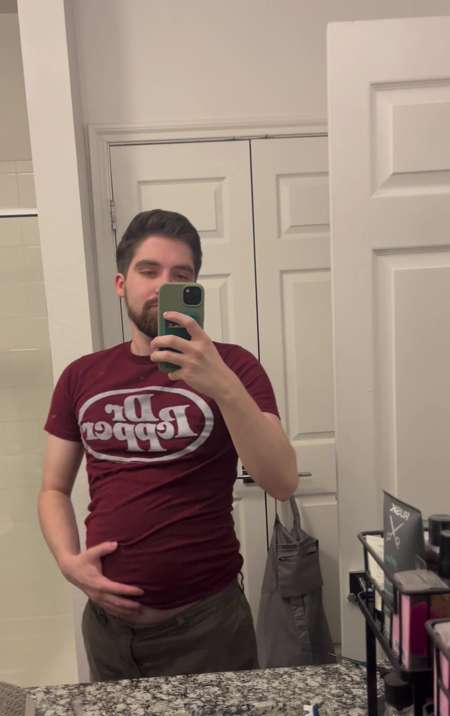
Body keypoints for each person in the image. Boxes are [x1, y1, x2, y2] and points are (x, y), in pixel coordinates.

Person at [38, 209, 298, 681]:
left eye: (180, 275)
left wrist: (221, 384)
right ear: (121, 284)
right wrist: (68, 562)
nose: (163, 284)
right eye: (149, 270)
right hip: (108, 631)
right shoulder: (81, 376)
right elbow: (53, 489)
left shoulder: (234, 367)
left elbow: (281, 481)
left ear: (194, 287)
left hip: (209, 628)